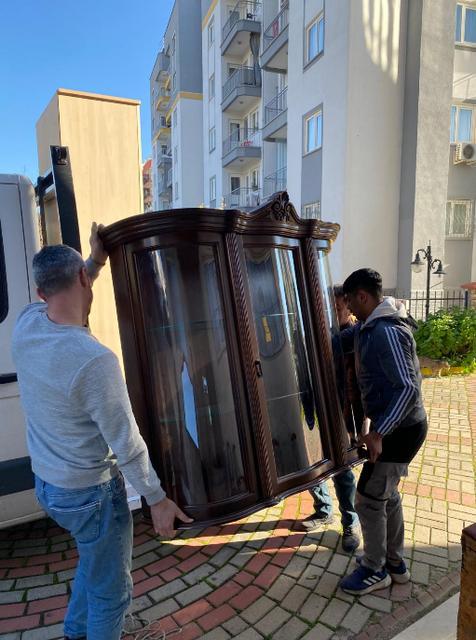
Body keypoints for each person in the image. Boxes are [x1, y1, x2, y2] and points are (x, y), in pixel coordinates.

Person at [12, 224, 192, 640]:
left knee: (94, 564)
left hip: (50, 487)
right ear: (80, 278)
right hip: (90, 494)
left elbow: (67, 293)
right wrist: (157, 499)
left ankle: (76, 633)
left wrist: (94, 261)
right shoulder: (94, 361)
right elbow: (126, 443)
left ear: (40, 293)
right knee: (112, 594)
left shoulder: (26, 324)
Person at [339, 268, 427, 596]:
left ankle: (375, 569)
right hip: (397, 426)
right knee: (386, 494)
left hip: (401, 429)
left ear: (363, 297)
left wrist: (379, 434)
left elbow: (408, 388)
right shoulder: (370, 326)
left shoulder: (385, 331)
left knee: (367, 499)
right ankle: (395, 563)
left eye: (349, 301)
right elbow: (342, 340)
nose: (348, 308)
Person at [302, 286, 363, 554]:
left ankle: (351, 522)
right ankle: (324, 509)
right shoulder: (318, 334)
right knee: (311, 462)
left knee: (342, 470)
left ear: (349, 307)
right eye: (328, 308)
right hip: (318, 409)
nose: (331, 312)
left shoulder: (356, 335)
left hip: (343, 413)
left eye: (336, 308)